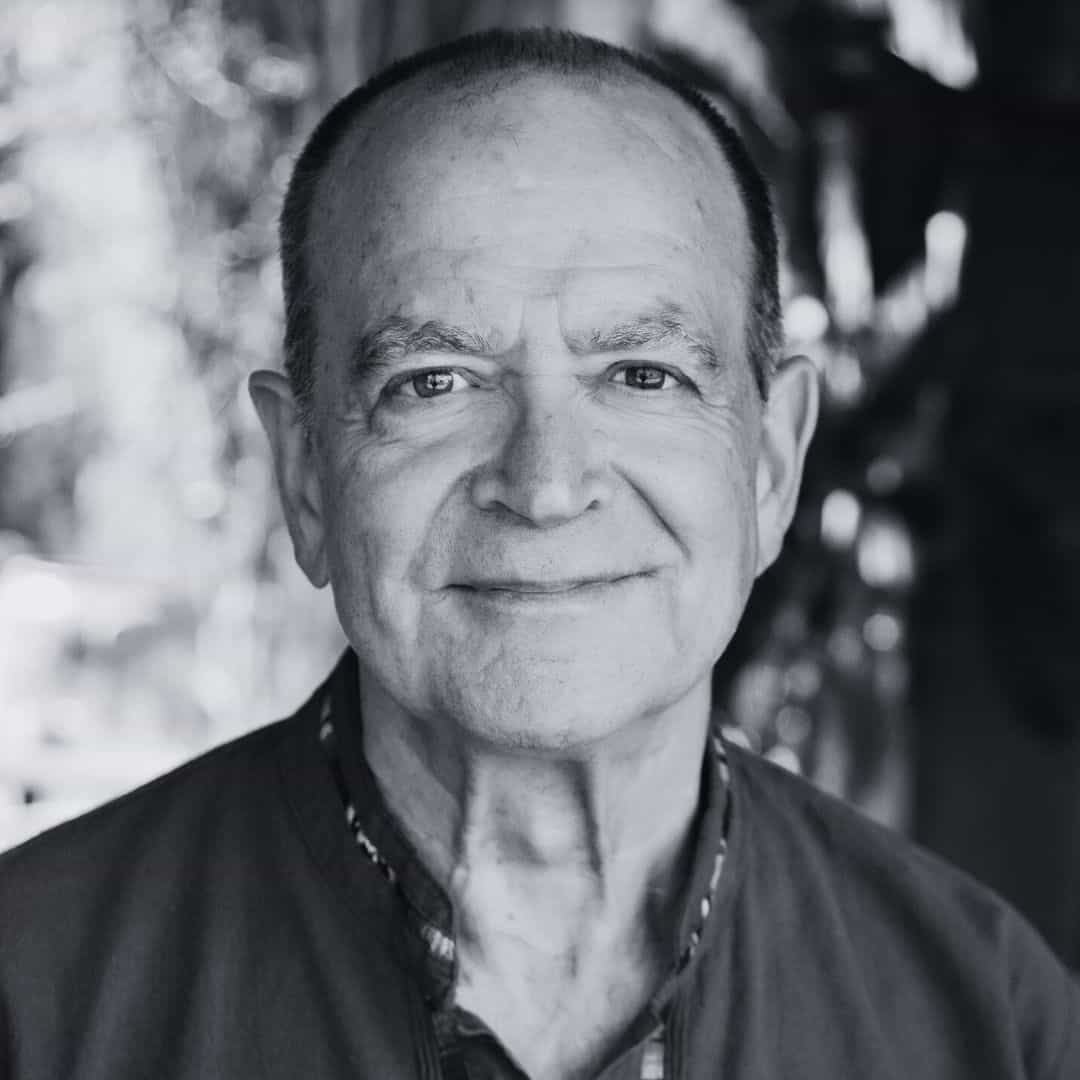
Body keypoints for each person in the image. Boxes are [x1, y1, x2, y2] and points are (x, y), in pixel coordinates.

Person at [0, 27, 1076, 1080]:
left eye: (643, 375)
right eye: (434, 382)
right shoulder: (36, 997)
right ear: (306, 474)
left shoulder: (989, 1019)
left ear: (770, 461)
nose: (547, 484)